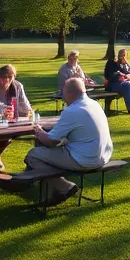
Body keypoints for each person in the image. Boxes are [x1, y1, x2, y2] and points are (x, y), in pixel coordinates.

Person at [25, 78, 113, 208]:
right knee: (50, 155)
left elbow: (51, 142)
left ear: (70, 93)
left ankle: (64, 186)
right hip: (103, 156)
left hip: (84, 159)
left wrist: (39, 132)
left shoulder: (72, 111)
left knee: (33, 155)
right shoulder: (94, 104)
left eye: (64, 93)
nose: (63, 97)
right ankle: (49, 191)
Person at [104, 48, 130, 114]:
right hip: (113, 84)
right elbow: (110, 76)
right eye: (121, 55)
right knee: (128, 85)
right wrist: (122, 75)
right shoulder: (111, 63)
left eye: (124, 55)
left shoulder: (124, 64)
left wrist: (127, 75)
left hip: (122, 82)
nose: (122, 57)